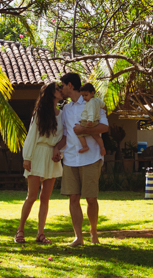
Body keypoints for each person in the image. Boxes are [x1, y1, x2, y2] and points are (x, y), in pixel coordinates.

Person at [59, 71, 109, 246]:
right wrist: (57, 150)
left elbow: (104, 127)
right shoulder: (65, 108)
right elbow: (66, 134)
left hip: (91, 157)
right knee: (73, 198)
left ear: (70, 85)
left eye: (63, 85)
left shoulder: (92, 102)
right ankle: (78, 237)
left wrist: (85, 131)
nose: (61, 89)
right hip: (70, 158)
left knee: (91, 198)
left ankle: (93, 233)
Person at [16, 81, 64, 244]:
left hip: (52, 156)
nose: (60, 91)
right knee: (31, 196)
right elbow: (31, 135)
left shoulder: (62, 114)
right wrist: (27, 157)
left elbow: (63, 137)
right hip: (37, 154)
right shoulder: (39, 113)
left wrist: (60, 153)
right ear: (51, 93)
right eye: (58, 89)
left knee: (45, 197)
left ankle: (40, 234)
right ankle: (20, 231)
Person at [76, 83, 106, 157]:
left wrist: (90, 120)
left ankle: (85, 146)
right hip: (96, 122)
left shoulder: (90, 102)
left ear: (92, 93)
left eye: (86, 95)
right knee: (96, 135)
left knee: (78, 132)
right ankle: (102, 147)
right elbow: (104, 105)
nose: (84, 98)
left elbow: (91, 112)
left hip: (88, 121)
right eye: (83, 96)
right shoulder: (97, 100)